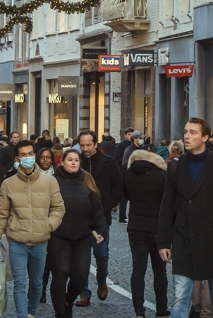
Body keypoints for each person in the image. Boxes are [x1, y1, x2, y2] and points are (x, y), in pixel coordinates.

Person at [157, 117, 213, 318]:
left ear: (205, 137)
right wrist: (163, 242)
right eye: (186, 132)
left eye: (193, 132)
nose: (187, 136)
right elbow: (167, 206)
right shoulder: (175, 166)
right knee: (180, 297)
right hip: (184, 236)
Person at [0, 139, 66, 318]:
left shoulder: (50, 182)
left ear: (34, 155)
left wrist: (49, 225)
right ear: (17, 158)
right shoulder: (8, 184)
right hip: (17, 241)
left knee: (37, 283)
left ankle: (31, 312)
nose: (27, 158)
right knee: (19, 283)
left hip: (40, 241)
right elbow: (1, 213)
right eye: (23, 155)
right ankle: (22, 316)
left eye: (30, 154)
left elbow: (59, 208)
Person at [50, 149, 107, 318]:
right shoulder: (53, 181)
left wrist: (102, 229)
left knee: (80, 276)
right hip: (58, 235)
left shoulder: (87, 179)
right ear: (62, 162)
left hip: (82, 236)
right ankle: (60, 312)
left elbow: (97, 209)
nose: (73, 162)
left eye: (76, 160)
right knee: (61, 273)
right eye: (70, 159)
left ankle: (68, 301)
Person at [77, 129, 123, 306]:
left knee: (101, 254)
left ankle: (102, 280)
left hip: (100, 217)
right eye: (82, 145)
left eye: (88, 145)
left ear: (96, 144)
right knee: (81, 258)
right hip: (80, 217)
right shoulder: (76, 161)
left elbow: (118, 185)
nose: (85, 149)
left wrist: (109, 204)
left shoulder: (108, 162)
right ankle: (84, 293)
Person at [123, 145, 169, 318]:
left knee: (138, 269)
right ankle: (161, 309)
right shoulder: (162, 175)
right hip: (157, 228)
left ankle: (139, 310)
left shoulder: (128, 174)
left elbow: (126, 195)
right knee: (160, 270)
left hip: (136, 226)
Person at [114, 128, 134, 223]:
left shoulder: (133, 145)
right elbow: (117, 158)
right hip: (123, 172)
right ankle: (122, 216)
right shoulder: (121, 145)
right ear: (125, 135)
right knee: (124, 197)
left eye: (132, 134)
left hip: (130, 172)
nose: (130, 136)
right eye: (129, 134)